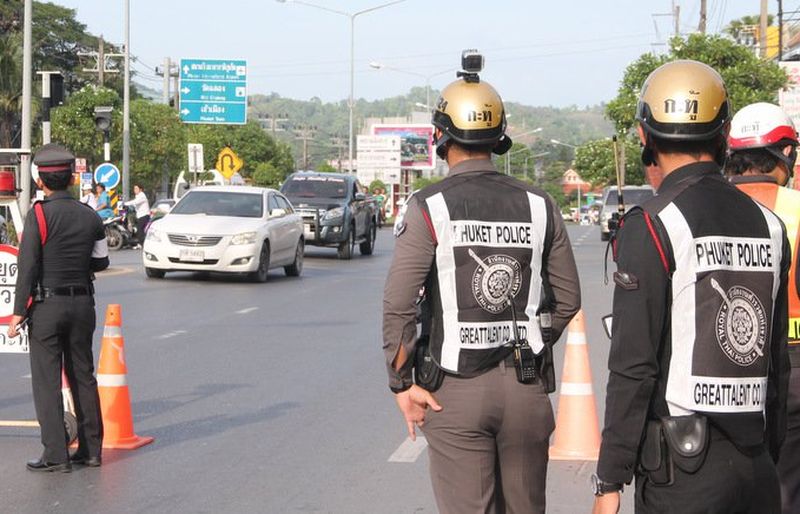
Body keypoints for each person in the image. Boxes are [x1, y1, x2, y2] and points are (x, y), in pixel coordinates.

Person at [383, 54, 581, 513]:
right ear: (499, 139)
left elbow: (399, 305)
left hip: (456, 393)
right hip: (526, 391)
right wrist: (531, 339)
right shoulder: (540, 204)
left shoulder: (428, 206)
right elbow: (568, 299)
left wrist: (401, 384)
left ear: (440, 137)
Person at [593, 61, 791, 514]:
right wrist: (769, 461)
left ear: (646, 138)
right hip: (756, 466)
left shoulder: (653, 224)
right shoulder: (770, 227)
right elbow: (775, 365)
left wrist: (609, 479)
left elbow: (633, 367)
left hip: (682, 477)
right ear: (722, 136)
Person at [8, 143, 109, 472]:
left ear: (41, 181)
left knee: (47, 380)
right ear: (71, 180)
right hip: (83, 304)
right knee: (83, 375)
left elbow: (28, 267)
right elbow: (102, 261)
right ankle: (92, 450)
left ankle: (56, 455)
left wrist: (17, 314)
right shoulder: (91, 214)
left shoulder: (38, 215)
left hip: (47, 307)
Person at [725, 102, 800, 514]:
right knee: (788, 488)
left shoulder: (703, 208)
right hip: (792, 369)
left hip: (719, 369)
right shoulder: (798, 208)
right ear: (786, 154)